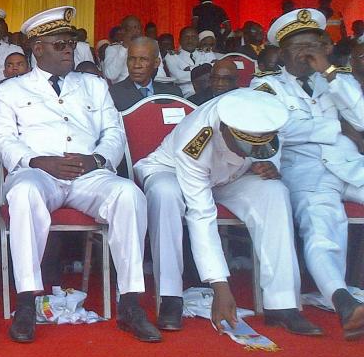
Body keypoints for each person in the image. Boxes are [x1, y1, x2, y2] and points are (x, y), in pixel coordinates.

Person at [0, 6, 159, 343]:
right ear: (38, 49)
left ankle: (129, 303)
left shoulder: (93, 85)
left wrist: (96, 159)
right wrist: (37, 162)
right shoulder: (11, 90)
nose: (69, 48)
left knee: (129, 194)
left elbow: (114, 133)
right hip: (39, 173)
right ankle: (27, 301)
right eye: (59, 44)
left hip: (87, 174)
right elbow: (2, 139)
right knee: (23, 193)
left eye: (70, 42)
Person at [135, 89, 319, 335]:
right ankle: (170, 296)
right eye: (244, 146)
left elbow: (273, 140)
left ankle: (282, 304)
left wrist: (265, 163)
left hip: (229, 177)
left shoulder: (263, 109)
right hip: (172, 171)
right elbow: (201, 214)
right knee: (165, 194)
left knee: (275, 192)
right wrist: (219, 285)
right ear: (225, 129)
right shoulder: (196, 140)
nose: (248, 150)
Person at [249, 8, 364, 339]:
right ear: (282, 53)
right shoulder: (267, 86)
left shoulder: (336, 79)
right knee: (321, 228)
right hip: (307, 172)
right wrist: (337, 125)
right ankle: (343, 301)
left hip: (350, 165)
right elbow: (281, 127)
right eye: (299, 48)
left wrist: (328, 72)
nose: (307, 54)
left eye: (313, 45)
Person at [109, 37, 183, 111]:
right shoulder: (113, 94)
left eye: (143, 59)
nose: (136, 65)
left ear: (156, 63)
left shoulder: (172, 94)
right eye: (132, 59)